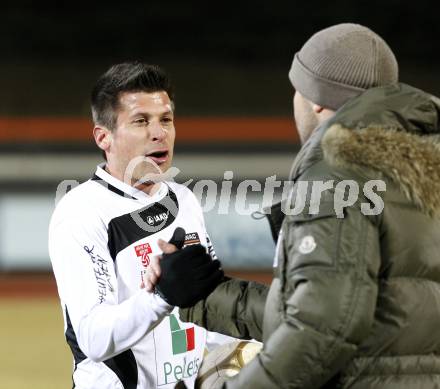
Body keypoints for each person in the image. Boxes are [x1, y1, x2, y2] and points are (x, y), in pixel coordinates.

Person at [147, 24, 440, 387]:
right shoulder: (419, 167)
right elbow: (367, 317)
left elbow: (318, 332)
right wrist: (205, 295)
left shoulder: (339, 172)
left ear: (316, 99)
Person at [49, 62, 231, 389]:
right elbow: (93, 337)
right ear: (104, 137)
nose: (158, 132)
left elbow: (207, 304)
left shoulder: (183, 200)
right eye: (140, 121)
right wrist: (160, 296)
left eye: (166, 119)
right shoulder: (81, 212)